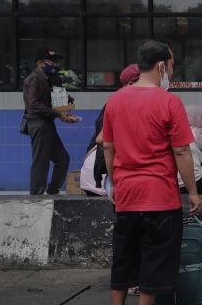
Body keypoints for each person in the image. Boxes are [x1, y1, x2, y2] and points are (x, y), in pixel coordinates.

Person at [102, 40, 202, 305]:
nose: (171, 70)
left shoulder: (115, 100)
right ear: (161, 66)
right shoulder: (170, 101)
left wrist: (116, 181)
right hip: (160, 198)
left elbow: (108, 146)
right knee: (155, 260)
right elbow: (182, 151)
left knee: (123, 257)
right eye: (170, 65)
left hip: (126, 197)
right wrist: (192, 191)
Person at [23, 48, 78, 195]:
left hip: (47, 123)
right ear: (40, 63)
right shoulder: (35, 78)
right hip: (38, 123)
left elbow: (61, 102)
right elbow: (34, 104)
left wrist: (66, 114)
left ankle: (53, 192)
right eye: (51, 61)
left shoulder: (50, 78)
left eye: (56, 61)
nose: (55, 64)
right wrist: (59, 114)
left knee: (63, 159)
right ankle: (36, 196)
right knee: (41, 161)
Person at [81, 64, 140, 196]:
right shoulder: (122, 103)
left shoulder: (115, 101)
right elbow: (103, 140)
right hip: (108, 179)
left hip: (100, 176)